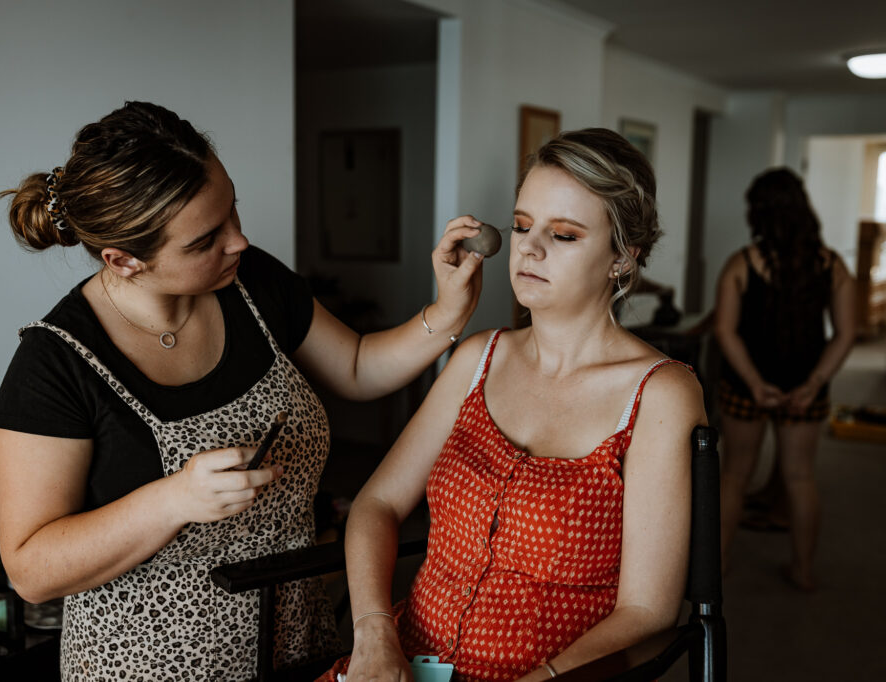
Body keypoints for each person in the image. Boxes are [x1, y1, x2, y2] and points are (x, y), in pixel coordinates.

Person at [0, 101, 486, 681]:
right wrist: (173, 500)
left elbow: (356, 366)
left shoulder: (251, 283)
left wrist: (448, 312)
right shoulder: (54, 362)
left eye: (233, 212)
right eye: (204, 241)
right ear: (123, 260)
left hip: (295, 637)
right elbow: (29, 567)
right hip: (146, 667)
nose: (239, 242)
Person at [322, 128, 707, 682]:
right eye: (523, 225)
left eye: (566, 235)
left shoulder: (658, 393)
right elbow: (376, 503)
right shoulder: (478, 358)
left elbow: (648, 612)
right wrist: (376, 637)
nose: (528, 248)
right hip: (403, 662)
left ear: (623, 256)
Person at [714, 167, 856, 591]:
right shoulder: (832, 265)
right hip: (803, 388)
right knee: (800, 477)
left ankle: (716, 569)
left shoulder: (742, 263)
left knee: (735, 476)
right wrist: (814, 383)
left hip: (745, 386)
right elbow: (846, 333)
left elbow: (724, 329)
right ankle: (803, 570)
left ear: (756, 212)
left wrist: (756, 383)